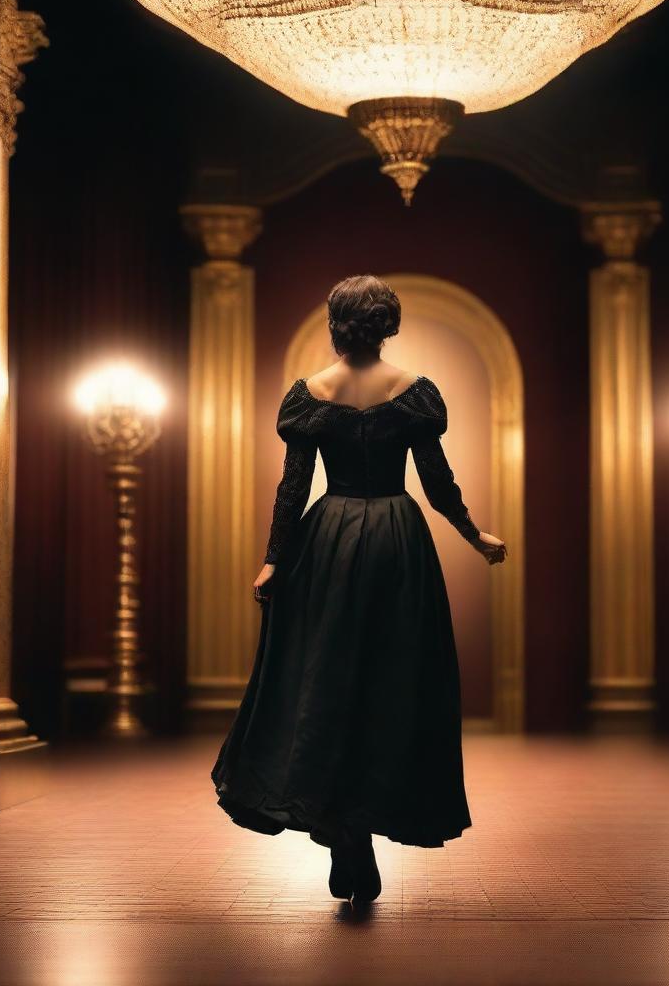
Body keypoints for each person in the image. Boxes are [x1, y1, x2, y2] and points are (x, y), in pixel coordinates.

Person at [210, 274, 508, 907]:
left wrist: (273, 561)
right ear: (388, 325)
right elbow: (436, 482)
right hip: (398, 543)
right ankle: (358, 827)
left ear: (336, 325)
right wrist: (473, 533)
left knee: (325, 682)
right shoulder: (414, 395)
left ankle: (346, 832)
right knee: (392, 684)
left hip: (331, 542)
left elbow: (293, 492)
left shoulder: (310, 395)